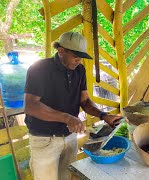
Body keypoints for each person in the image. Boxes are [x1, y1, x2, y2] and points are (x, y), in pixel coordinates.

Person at [24, 32, 123, 180]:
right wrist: (67, 118)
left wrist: (104, 115)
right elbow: (31, 106)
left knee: (66, 177)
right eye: (75, 55)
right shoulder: (40, 69)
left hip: (70, 137)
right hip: (45, 139)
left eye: (81, 56)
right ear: (61, 50)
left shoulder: (79, 70)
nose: (79, 60)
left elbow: (85, 101)